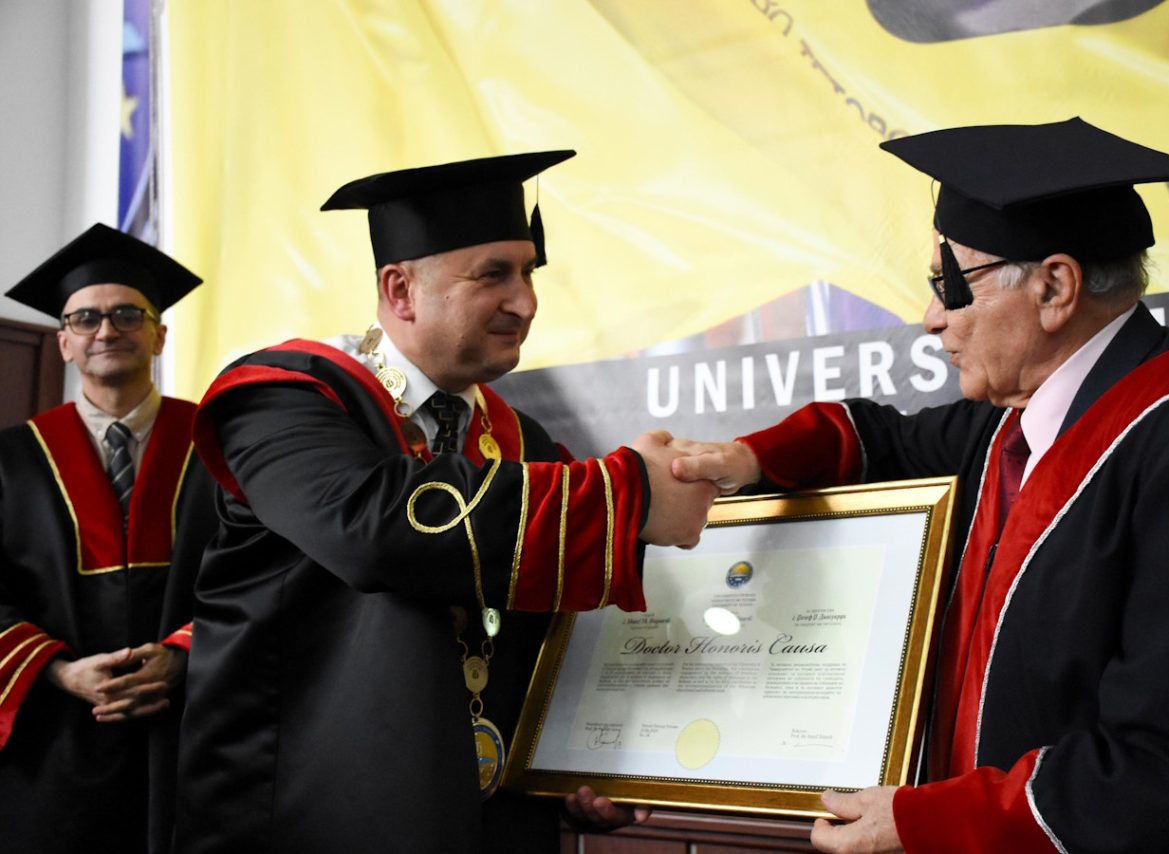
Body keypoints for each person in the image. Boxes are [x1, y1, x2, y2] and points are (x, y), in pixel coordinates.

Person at [669, 118, 1169, 852]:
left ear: (1054, 287)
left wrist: (927, 821)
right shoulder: (1009, 426)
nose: (931, 320)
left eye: (950, 286)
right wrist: (746, 458)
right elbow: (880, 441)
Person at [173, 150, 717, 853]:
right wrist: (629, 495)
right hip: (305, 814)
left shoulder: (526, 443)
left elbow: (555, 635)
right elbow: (376, 528)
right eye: (494, 274)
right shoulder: (283, 400)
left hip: (490, 823)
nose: (526, 302)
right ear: (400, 290)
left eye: (529, 272)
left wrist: (583, 761)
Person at [0, 223, 219, 853]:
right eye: (85, 318)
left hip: (194, 731)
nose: (106, 330)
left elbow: (259, 573)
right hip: (51, 745)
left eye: (128, 314)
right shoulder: (11, 460)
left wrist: (183, 653)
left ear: (159, 334)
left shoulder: (218, 446)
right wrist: (61, 672)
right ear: (64, 342)